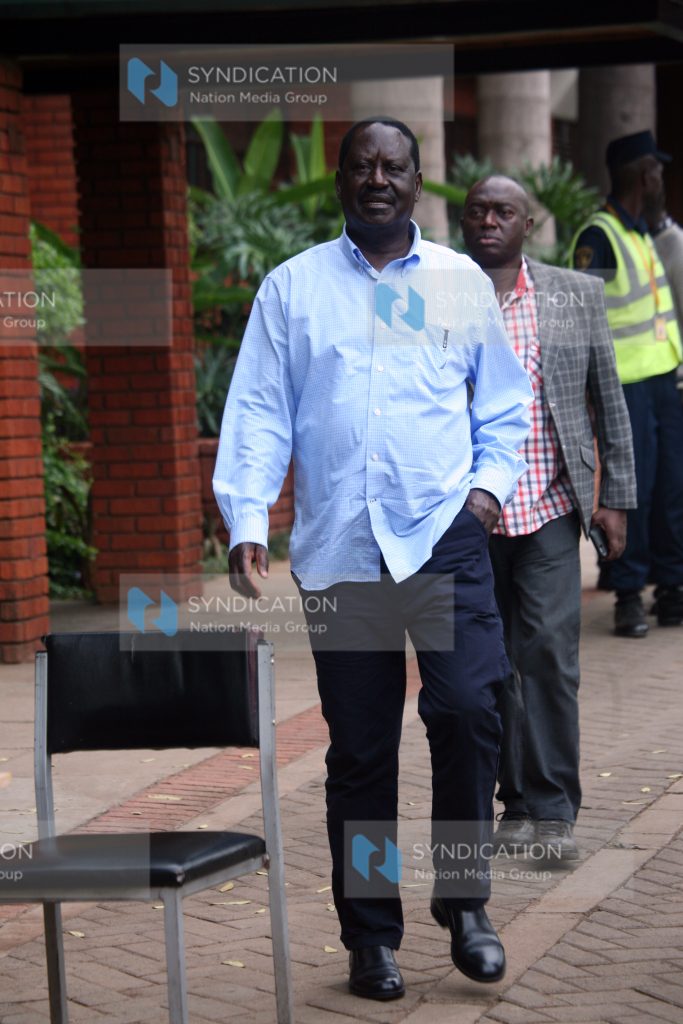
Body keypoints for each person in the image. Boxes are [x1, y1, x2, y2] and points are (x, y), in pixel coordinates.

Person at [214, 118, 533, 1001]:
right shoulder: (294, 289)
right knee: (360, 754)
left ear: (417, 179)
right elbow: (259, 411)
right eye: (363, 165)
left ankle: (465, 905)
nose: (378, 179)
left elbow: (502, 407)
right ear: (342, 181)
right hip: (342, 555)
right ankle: (369, 936)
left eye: (394, 166)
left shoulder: (457, 282)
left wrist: (483, 496)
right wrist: (246, 515)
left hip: (440, 539)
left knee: (468, 711)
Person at [462, 175, 636, 861]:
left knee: (549, 657)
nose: (487, 221)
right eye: (476, 211)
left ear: (527, 223)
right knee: (492, 664)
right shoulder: (441, 298)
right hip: (471, 516)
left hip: (549, 506)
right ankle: (516, 807)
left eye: (502, 211)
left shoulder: (568, 296)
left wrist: (614, 499)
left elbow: (607, 402)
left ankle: (555, 808)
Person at [571, 130, 683, 637]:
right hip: (624, 388)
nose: (662, 178)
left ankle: (671, 586)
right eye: (657, 171)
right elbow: (580, 322)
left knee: (670, 489)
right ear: (644, 175)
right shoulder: (599, 238)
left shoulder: (641, 233)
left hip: (664, 382)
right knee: (629, 492)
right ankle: (627, 594)